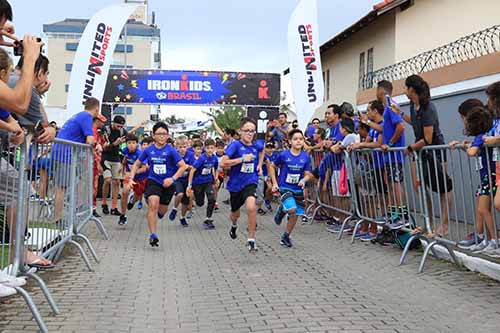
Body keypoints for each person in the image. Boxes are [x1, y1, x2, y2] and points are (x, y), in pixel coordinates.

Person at [392, 74, 452, 236]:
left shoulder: (428, 107)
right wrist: (400, 114)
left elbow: (428, 138)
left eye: (405, 87)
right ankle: (427, 222)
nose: (404, 90)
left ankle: (445, 224)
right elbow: (415, 122)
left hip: (434, 151)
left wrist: (411, 147)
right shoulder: (413, 105)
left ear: (412, 89)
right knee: (420, 187)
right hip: (421, 152)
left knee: (443, 188)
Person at [128, 122, 187, 247]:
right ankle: (153, 235)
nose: (162, 137)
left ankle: (157, 213)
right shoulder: (149, 150)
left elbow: (183, 166)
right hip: (153, 180)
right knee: (153, 205)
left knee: (162, 211)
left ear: (167, 136)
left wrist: (172, 179)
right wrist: (131, 178)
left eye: (164, 134)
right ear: (153, 135)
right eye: (159, 134)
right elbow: (136, 164)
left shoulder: (171, 150)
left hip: (168, 183)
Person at [450, 101, 497, 253]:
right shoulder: (483, 137)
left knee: (483, 209)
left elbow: (472, 152)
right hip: (488, 176)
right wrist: (467, 146)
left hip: (488, 177)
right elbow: (475, 152)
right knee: (483, 209)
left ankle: (493, 241)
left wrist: (463, 146)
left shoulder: (480, 137)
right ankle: (488, 240)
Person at [221, 117, 264, 252]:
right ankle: (234, 225)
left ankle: (251, 240)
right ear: (240, 131)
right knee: (235, 214)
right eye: (247, 131)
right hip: (235, 185)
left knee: (251, 207)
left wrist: (259, 165)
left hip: (250, 181)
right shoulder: (235, 145)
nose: (250, 134)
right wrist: (241, 159)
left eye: (252, 131)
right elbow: (223, 163)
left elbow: (262, 150)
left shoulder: (256, 145)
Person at [53, 98, 98, 224]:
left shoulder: (79, 115)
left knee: (63, 186)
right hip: (65, 154)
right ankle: (57, 219)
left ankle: (60, 216)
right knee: (61, 188)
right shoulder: (86, 117)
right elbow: (90, 140)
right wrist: (96, 144)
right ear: (96, 109)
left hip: (61, 152)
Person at [270, 129, 313, 247]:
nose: (298, 141)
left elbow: (308, 173)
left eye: (301, 139)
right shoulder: (284, 155)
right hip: (285, 187)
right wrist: (274, 183)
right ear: (290, 141)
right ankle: (281, 210)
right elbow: (272, 167)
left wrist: (304, 180)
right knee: (291, 209)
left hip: (297, 189)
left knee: (295, 215)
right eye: (295, 139)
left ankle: (286, 236)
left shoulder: (305, 157)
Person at [351, 100, 385, 241]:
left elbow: (377, 143)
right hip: (372, 166)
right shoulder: (372, 128)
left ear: (375, 111)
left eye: (368, 110)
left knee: (377, 199)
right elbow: (368, 140)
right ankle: (368, 225)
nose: (367, 112)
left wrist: (360, 145)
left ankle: (376, 227)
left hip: (381, 165)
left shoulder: (382, 126)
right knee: (367, 199)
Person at [376, 80, 406, 222]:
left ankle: (402, 214)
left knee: (396, 185)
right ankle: (395, 213)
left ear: (381, 91)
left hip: (394, 155)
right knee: (392, 186)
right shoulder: (387, 107)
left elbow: (401, 127)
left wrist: (390, 143)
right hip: (389, 156)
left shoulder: (390, 106)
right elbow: (385, 129)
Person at [187, 138, 219, 229]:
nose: (210, 150)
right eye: (208, 148)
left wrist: (216, 178)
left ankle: (208, 218)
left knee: (212, 198)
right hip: (198, 183)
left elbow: (216, 168)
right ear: (205, 149)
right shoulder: (202, 158)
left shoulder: (214, 158)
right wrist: (189, 185)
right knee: (200, 203)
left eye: (212, 148)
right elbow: (192, 170)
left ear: (214, 149)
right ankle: (197, 200)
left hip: (208, 181)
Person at [119, 133, 148, 226]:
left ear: (137, 144)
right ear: (126, 144)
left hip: (141, 177)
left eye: (133, 143)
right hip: (129, 176)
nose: (131, 145)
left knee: (138, 195)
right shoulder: (125, 150)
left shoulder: (140, 154)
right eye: (129, 143)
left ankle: (132, 201)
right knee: (124, 192)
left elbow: (145, 168)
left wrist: (134, 172)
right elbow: (125, 159)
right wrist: (122, 167)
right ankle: (123, 215)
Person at [101, 115, 127, 216]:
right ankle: (104, 203)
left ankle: (114, 206)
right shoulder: (106, 130)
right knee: (107, 180)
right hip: (106, 158)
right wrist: (115, 144)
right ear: (113, 123)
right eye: (118, 126)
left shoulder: (123, 132)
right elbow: (105, 147)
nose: (120, 128)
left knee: (116, 182)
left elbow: (127, 141)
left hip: (116, 158)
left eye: (121, 126)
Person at [169, 135, 193, 227]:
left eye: (184, 147)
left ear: (187, 146)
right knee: (180, 194)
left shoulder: (190, 155)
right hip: (178, 179)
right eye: (180, 147)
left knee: (185, 202)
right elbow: (171, 167)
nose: (182, 149)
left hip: (187, 180)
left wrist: (187, 167)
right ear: (176, 147)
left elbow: (193, 168)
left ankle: (182, 218)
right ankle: (174, 208)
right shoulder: (174, 155)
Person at [92, 114, 106, 217]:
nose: (103, 124)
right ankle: (91, 208)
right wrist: (98, 163)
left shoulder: (97, 132)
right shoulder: (92, 132)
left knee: (94, 187)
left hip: (95, 163)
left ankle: (93, 208)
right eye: (102, 122)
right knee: (93, 187)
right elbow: (93, 149)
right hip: (92, 164)